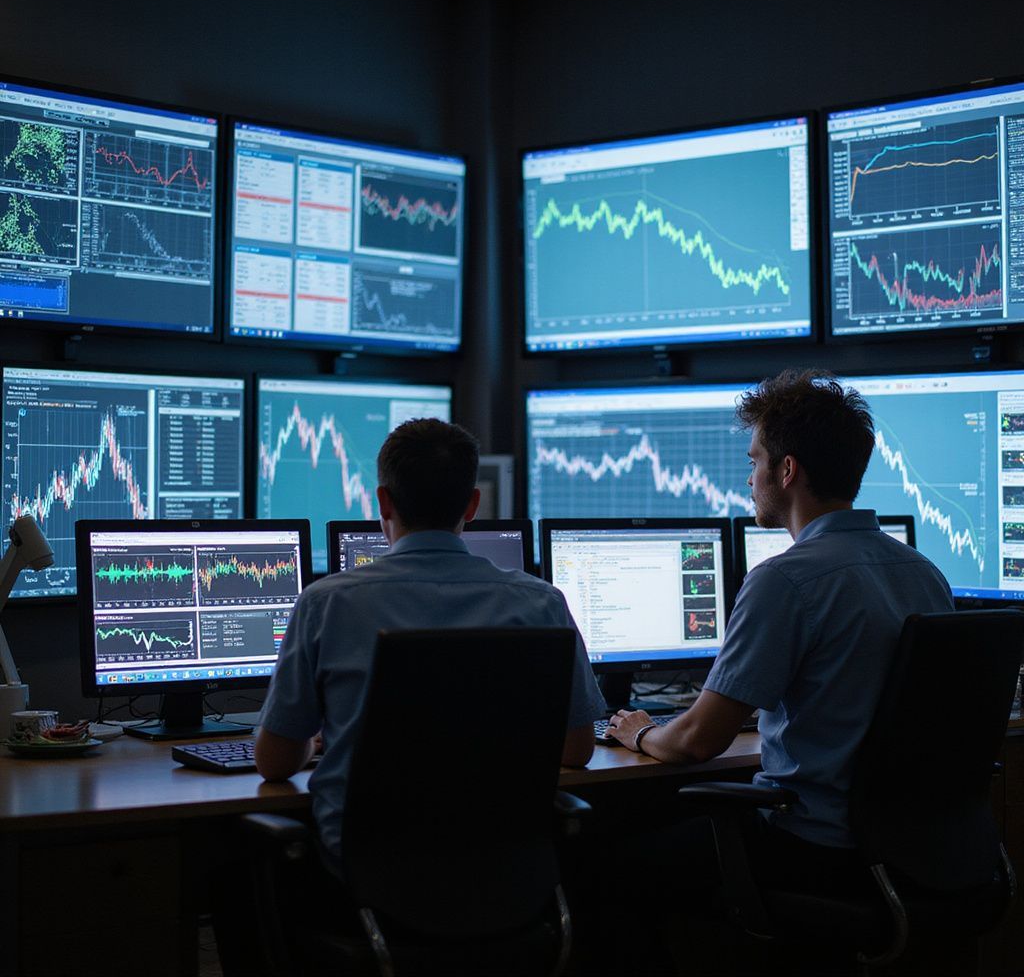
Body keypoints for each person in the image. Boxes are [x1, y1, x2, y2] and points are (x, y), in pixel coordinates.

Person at [605, 368, 954, 861]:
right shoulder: (924, 572)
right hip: (910, 848)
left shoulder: (784, 579)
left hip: (808, 842)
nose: (750, 479)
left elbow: (695, 742)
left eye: (755, 461)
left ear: (786, 471)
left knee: (606, 860)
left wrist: (637, 731)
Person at [254, 417, 606, 862]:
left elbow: (274, 763)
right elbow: (577, 749)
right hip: (504, 871)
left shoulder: (326, 604)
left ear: (383, 502)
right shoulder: (542, 603)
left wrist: (323, 737)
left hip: (371, 870)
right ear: (473, 504)